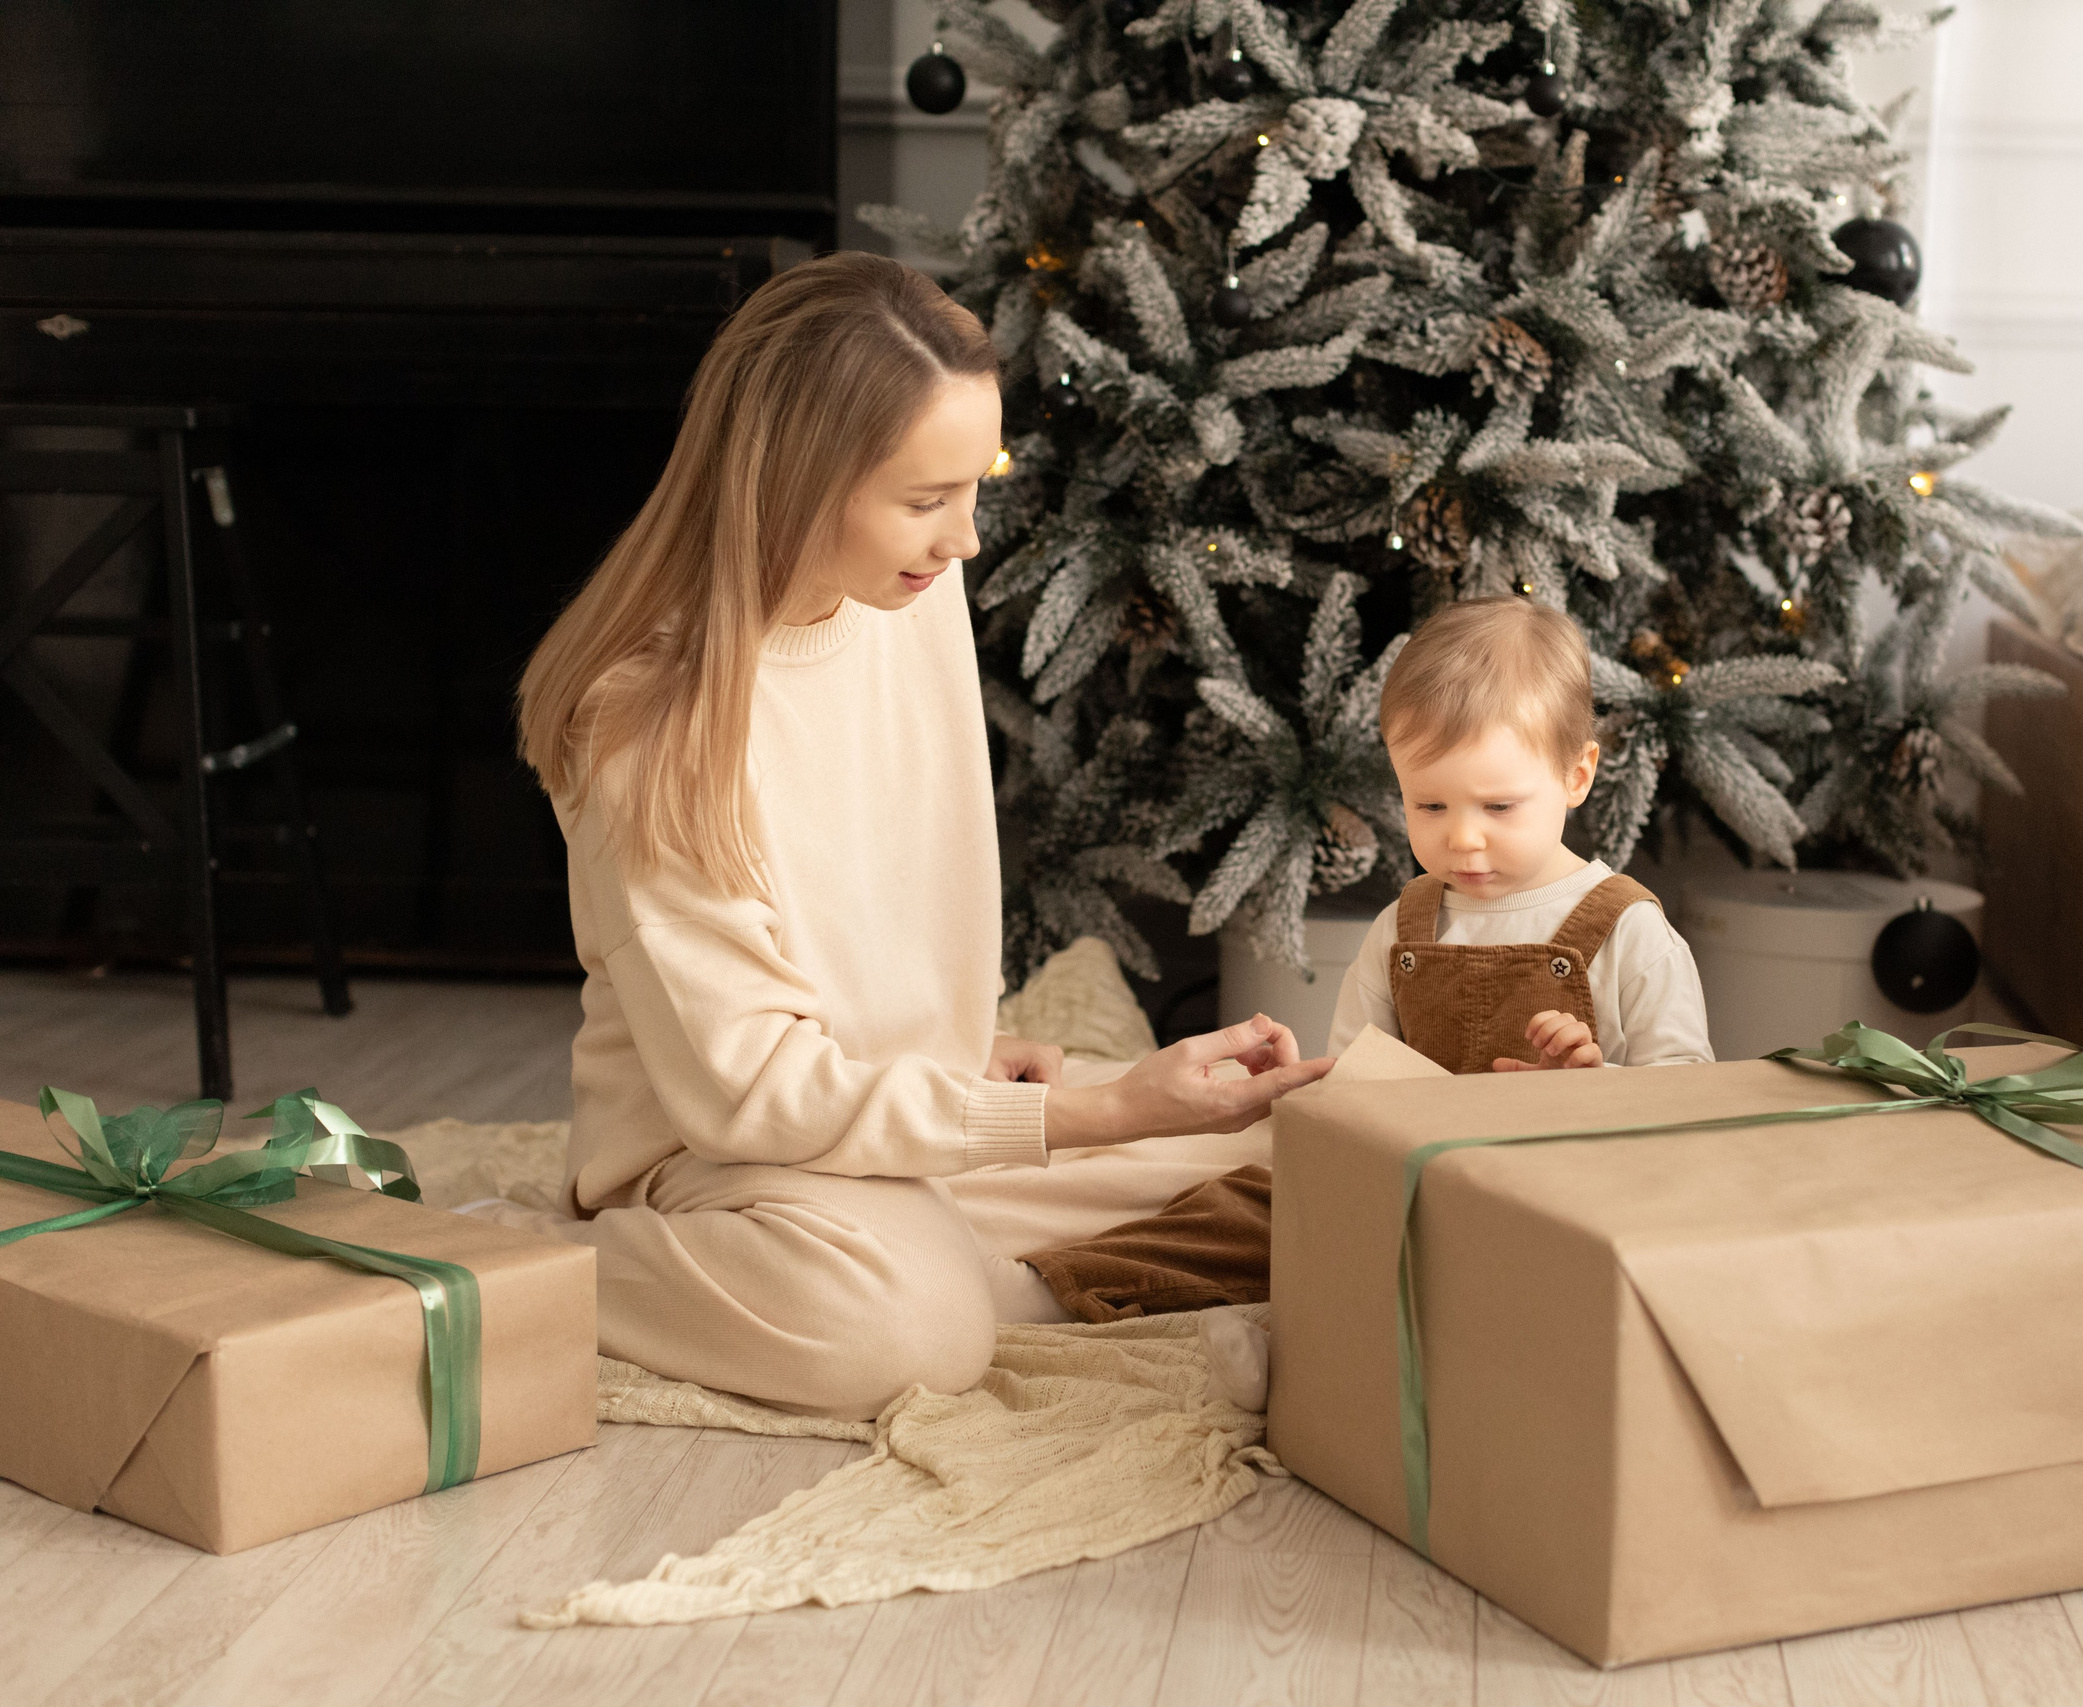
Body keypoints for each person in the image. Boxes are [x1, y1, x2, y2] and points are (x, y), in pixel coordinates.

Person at [512, 252, 1330, 1419]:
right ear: (792, 480)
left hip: (896, 1108)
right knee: (901, 1333)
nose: (965, 541)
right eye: (923, 498)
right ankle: (532, 1264)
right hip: (726, 1157)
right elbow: (749, 1095)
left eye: (975, 485)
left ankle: (990, 1269)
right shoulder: (650, 721)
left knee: (1299, 1155)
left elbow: (875, 898)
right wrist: (1095, 1116)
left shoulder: (905, 587)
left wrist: (970, 1059)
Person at [1327, 597, 1714, 1073]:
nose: (1464, 838)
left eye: (1498, 806)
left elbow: (1689, 1090)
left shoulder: (1631, 934)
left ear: (1575, 776)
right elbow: (1350, 1079)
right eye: (1430, 805)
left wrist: (1594, 1089)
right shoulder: (1399, 931)